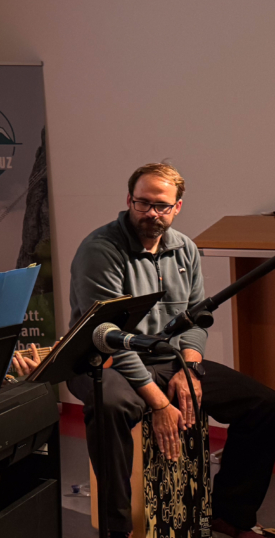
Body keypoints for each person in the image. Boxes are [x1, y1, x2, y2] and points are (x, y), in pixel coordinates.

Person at [67, 163, 275, 538]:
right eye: (142, 203)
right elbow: (109, 335)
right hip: (104, 362)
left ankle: (231, 514)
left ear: (177, 206)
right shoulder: (100, 250)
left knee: (264, 404)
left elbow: (195, 320)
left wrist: (190, 370)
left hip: (168, 359)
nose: (151, 213)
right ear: (128, 200)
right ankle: (117, 529)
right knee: (111, 405)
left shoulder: (185, 249)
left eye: (161, 205)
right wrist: (160, 403)